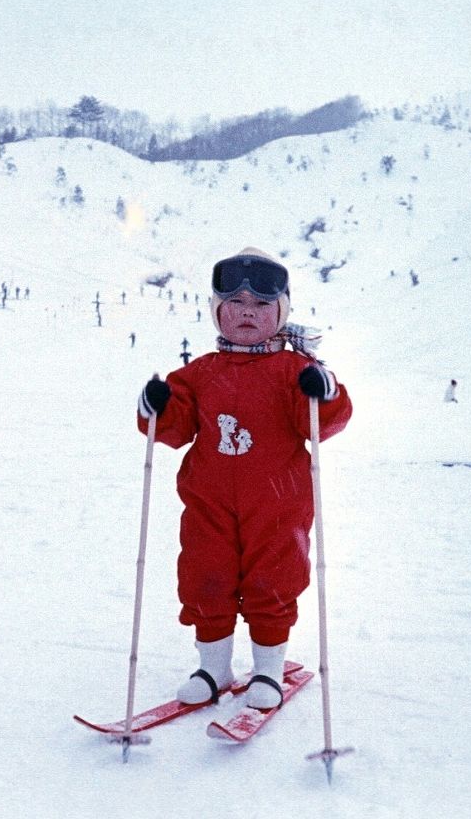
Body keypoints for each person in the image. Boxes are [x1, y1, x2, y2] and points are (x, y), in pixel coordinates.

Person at [137, 247, 352, 709]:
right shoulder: (199, 373)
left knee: (273, 580)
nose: (247, 314)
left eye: (260, 306)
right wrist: (157, 406)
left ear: (281, 313)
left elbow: (324, 422)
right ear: (217, 312)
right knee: (205, 575)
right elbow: (174, 427)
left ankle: (268, 671)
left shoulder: (296, 371)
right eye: (234, 304)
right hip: (208, 501)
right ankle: (213, 667)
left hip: (277, 504)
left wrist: (324, 394)